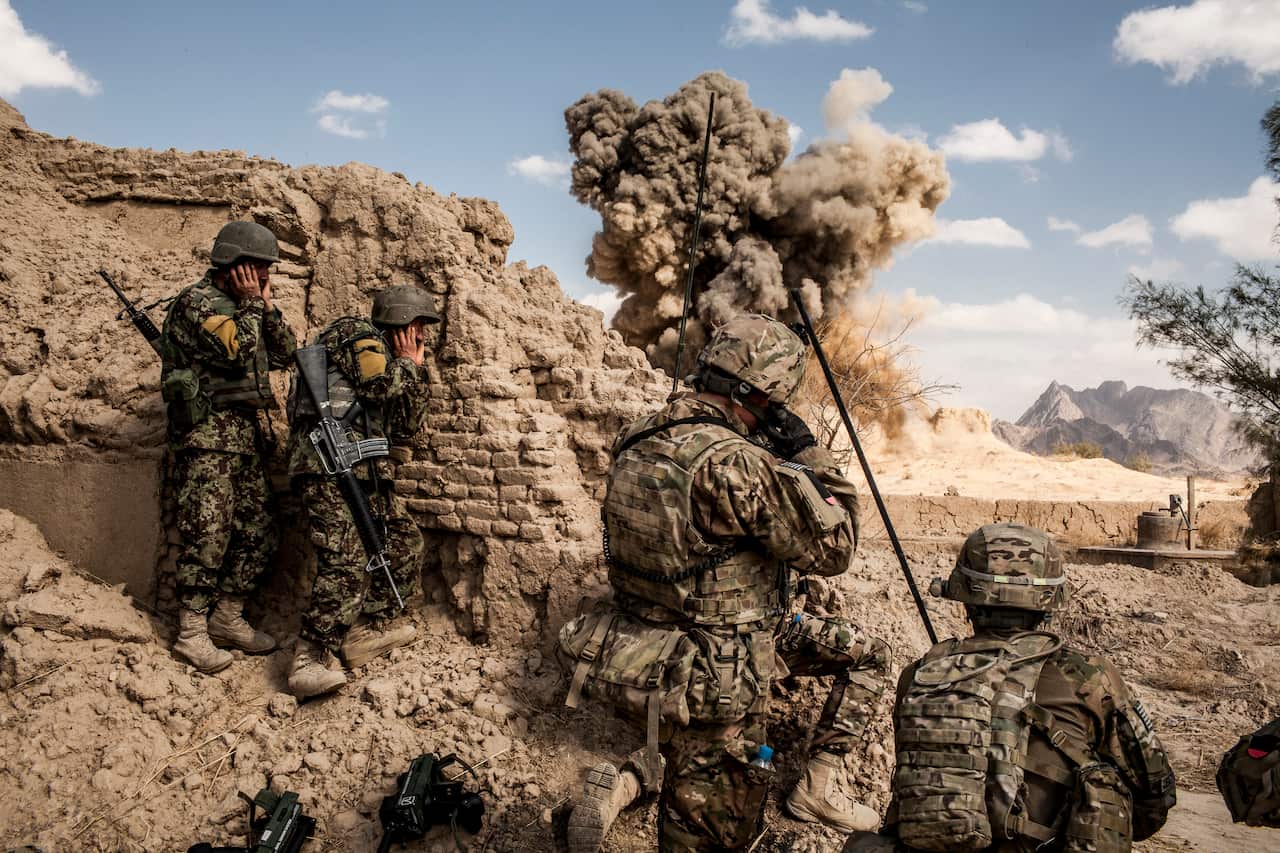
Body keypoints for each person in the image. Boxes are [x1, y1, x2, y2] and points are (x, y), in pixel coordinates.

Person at [559, 313, 889, 852]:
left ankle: (636, 779)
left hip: (645, 645)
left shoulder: (635, 437)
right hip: (722, 664)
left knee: (694, 767)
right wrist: (806, 452)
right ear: (758, 397)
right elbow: (837, 546)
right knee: (714, 832)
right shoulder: (735, 464)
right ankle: (807, 784)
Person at [844, 523, 1177, 853]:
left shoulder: (920, 673)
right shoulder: (1089, 677)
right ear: (1049, 600)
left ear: (964, 595)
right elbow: (1154, 799)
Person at [285, 284, 436, 699]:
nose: (422, 335)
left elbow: (406, 425)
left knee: (403, 543)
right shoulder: (357, 334)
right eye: (418, 326)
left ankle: (366, 631)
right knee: (346, 558)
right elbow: (376, 388)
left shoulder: (394, 359)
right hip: (324, 465)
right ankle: (309, 656)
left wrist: (415, 371)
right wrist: (405, 364)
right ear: (400, 321)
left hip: (364, 469)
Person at [160, 221, 297, 673]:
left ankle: (226, 618)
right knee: (208, 537)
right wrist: (253, 305)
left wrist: (264, 307)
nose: (263, 274)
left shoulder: (248, 305)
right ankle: (191, 634)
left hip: (244, 441)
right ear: (235, 265)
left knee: (260, 531)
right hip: (208, 442)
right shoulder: (197, 303)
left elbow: (284, 353)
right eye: (258, 266)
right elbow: (237, 352)